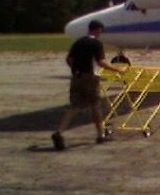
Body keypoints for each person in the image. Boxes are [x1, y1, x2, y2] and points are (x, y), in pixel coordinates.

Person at [52, 20, 124, 150]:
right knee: (95, 105)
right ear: (97, 30)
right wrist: (118, 69)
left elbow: (69, 59)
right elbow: (101, 62)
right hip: (90, 77)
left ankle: (59, 131)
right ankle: (100, 135)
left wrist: (75, 70)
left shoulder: (78, 42)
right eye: (100, 31)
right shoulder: (96, 43)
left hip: (76, 77)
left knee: (74, 107)